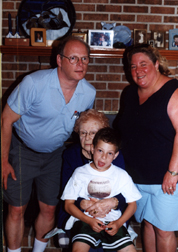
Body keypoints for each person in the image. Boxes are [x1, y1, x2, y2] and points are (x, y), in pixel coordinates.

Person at [1, 36, 96, 252]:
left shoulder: (88, 93)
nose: (80, 64)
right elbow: (6, 120)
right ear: (59, 60)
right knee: (16, 210)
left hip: (55, 154)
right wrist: (3, 160)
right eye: (73, 58)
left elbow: (83, 128)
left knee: (50, 209)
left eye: (85, 59)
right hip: (22, 150)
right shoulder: (34, 83)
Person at [113, 44, 178, 252]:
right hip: (136, 178)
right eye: (133, 66)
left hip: (165, 179)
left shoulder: (173, 91)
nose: (138, 70)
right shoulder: (130, 94)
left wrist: (173, 172)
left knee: (164, 230)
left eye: (143, 64)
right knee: (148, 224)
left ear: (156, 64)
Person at [54, 109, 128, 251]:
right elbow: (66, 192)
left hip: (110, 210)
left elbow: (125, 192)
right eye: (83, 133)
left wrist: (113, 202)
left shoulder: (114, 155)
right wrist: (82, 203)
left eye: (93, 133)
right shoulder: (71, 155)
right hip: (78, 210)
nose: (87, 138)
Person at [61, 127, 142, 252]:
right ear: (92, 149)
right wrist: (88, 220)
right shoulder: (80, 173)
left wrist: (119, 223)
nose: (103, 157)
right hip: (85, 222)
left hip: (113, 222)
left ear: (115, 155)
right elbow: (68, 205)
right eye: (100, 150)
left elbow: (133, 205)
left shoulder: (121, 175)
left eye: (109, 153)